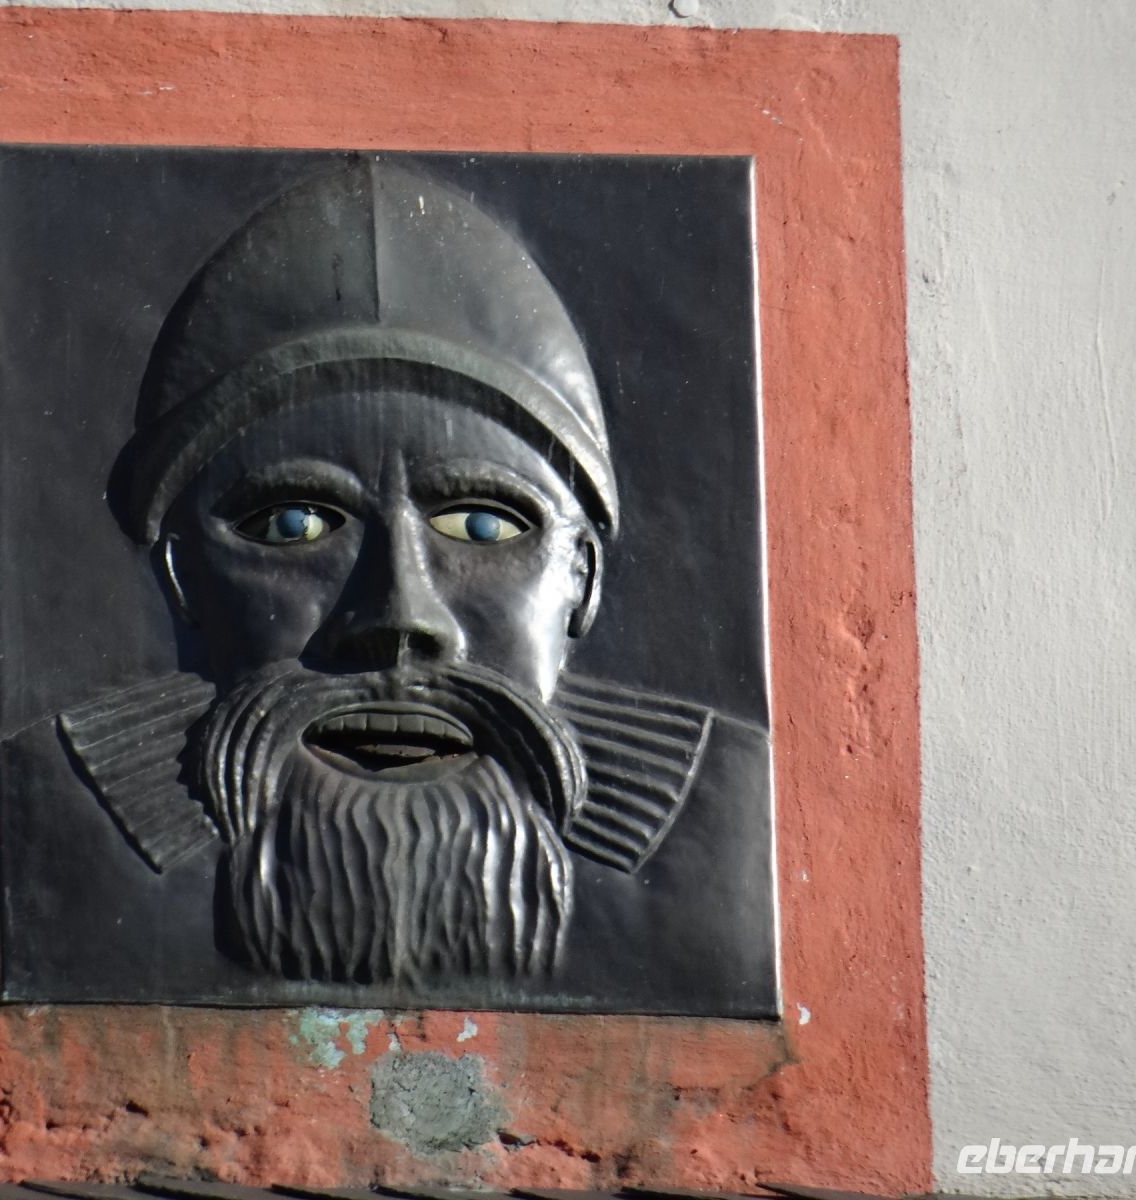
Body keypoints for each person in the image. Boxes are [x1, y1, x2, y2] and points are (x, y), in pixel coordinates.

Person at [54, 157, 713, 985]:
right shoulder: (31, 823)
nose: (402, 617)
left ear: (582, 578)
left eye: (482, 524)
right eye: (295, 525)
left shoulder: (738, 840)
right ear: (182, 578)